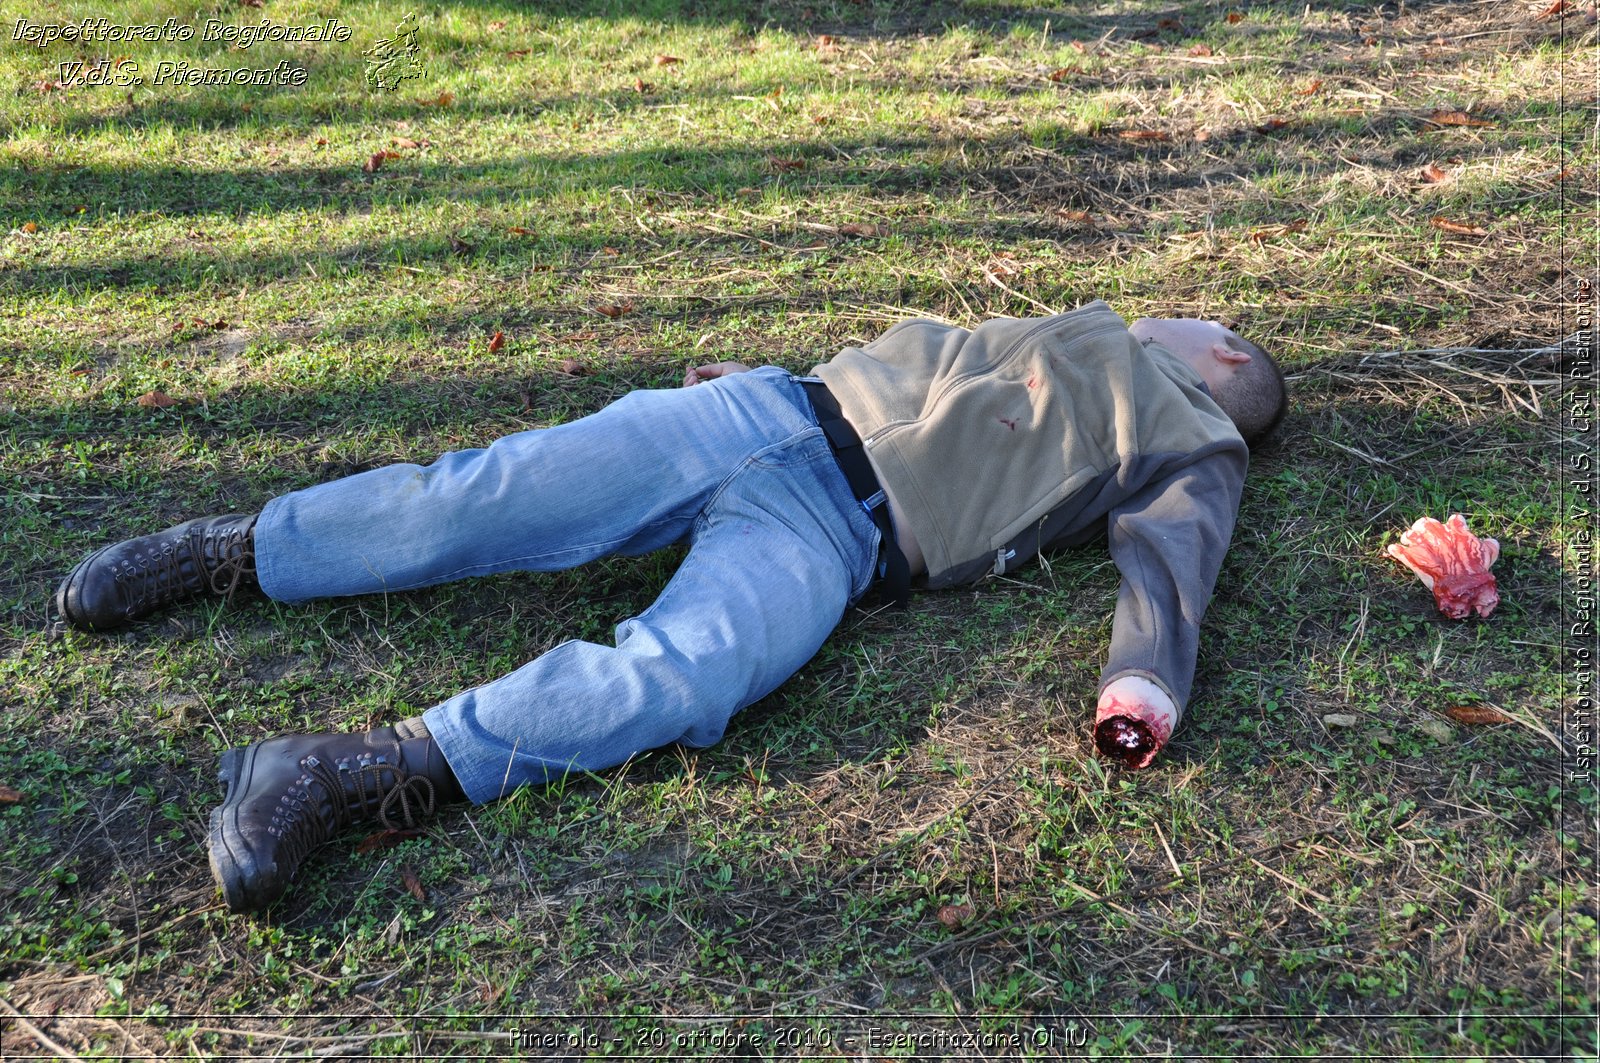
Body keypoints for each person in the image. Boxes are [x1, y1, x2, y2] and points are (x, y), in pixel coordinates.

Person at [53, 301, 1287, 913]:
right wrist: (751, 365)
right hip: (761, 411)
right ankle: (229, 554)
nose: (1182, 307)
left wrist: (1142, 683)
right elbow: (920, 366)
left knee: (694, 674)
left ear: (1225, 360)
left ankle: (352, 769)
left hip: (836, 540)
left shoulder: (1192, 432)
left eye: (1208, 316)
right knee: (477, 501)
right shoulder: (1079, 322)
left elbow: (1176, 566)